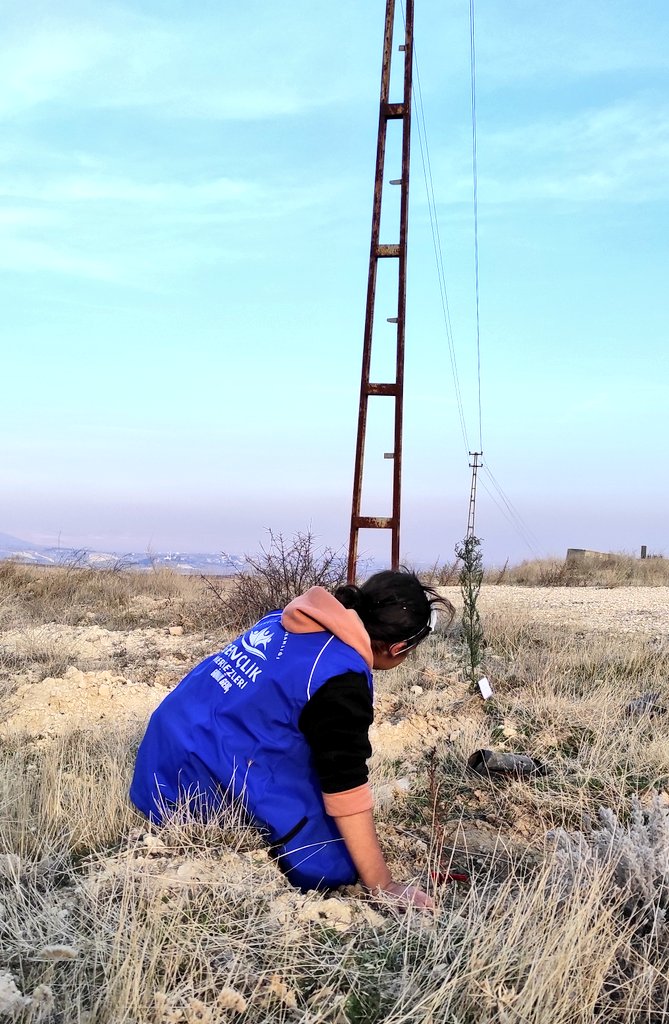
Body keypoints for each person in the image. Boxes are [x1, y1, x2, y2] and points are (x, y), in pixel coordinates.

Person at [130, 569, 453, 907]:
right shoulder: (340, 677)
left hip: (155, 764)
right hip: (189, 796)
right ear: (398, 647)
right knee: (332, 865)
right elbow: (343, 782)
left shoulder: (286, 620)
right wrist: (382, 883)